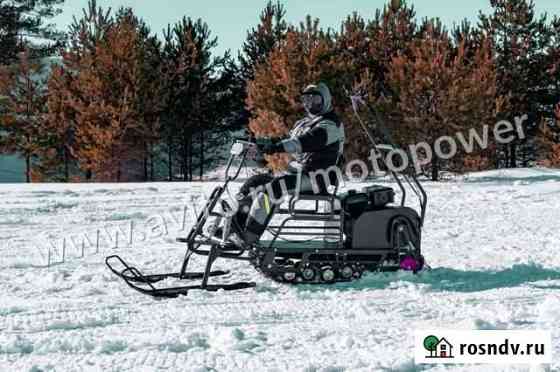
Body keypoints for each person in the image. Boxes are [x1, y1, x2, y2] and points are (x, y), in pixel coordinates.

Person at [228, 82, 345, 248]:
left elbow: (307, 141)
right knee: (254, 183)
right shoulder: (305, 122)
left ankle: (249, 237)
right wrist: (262, 144)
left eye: (316, 100)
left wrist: (277, 147)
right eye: (307, 100)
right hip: (297, 173)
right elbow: (285, 138)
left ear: (326, 100)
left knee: (273, 189)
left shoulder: (331, 124)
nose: (310, 104)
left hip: (317, 177)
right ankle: (234, 229)